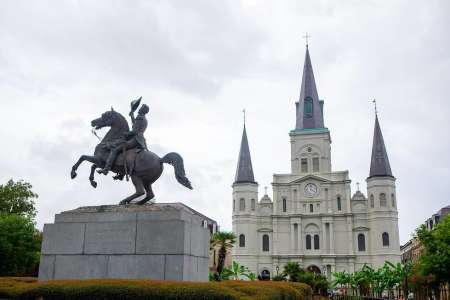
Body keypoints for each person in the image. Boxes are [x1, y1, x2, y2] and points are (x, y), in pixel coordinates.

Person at [98, 104, 149, 175]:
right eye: (140, 108)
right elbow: (135, 126)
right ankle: (120, 174)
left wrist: (126, 134)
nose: (139, 109)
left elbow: (135, 131)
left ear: (143, 110)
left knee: (115, 150)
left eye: (141, 108)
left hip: (135, 139)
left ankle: (106, 169)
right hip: (140, 140)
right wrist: (132, 116)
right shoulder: (144, 119)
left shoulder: (140, 118)